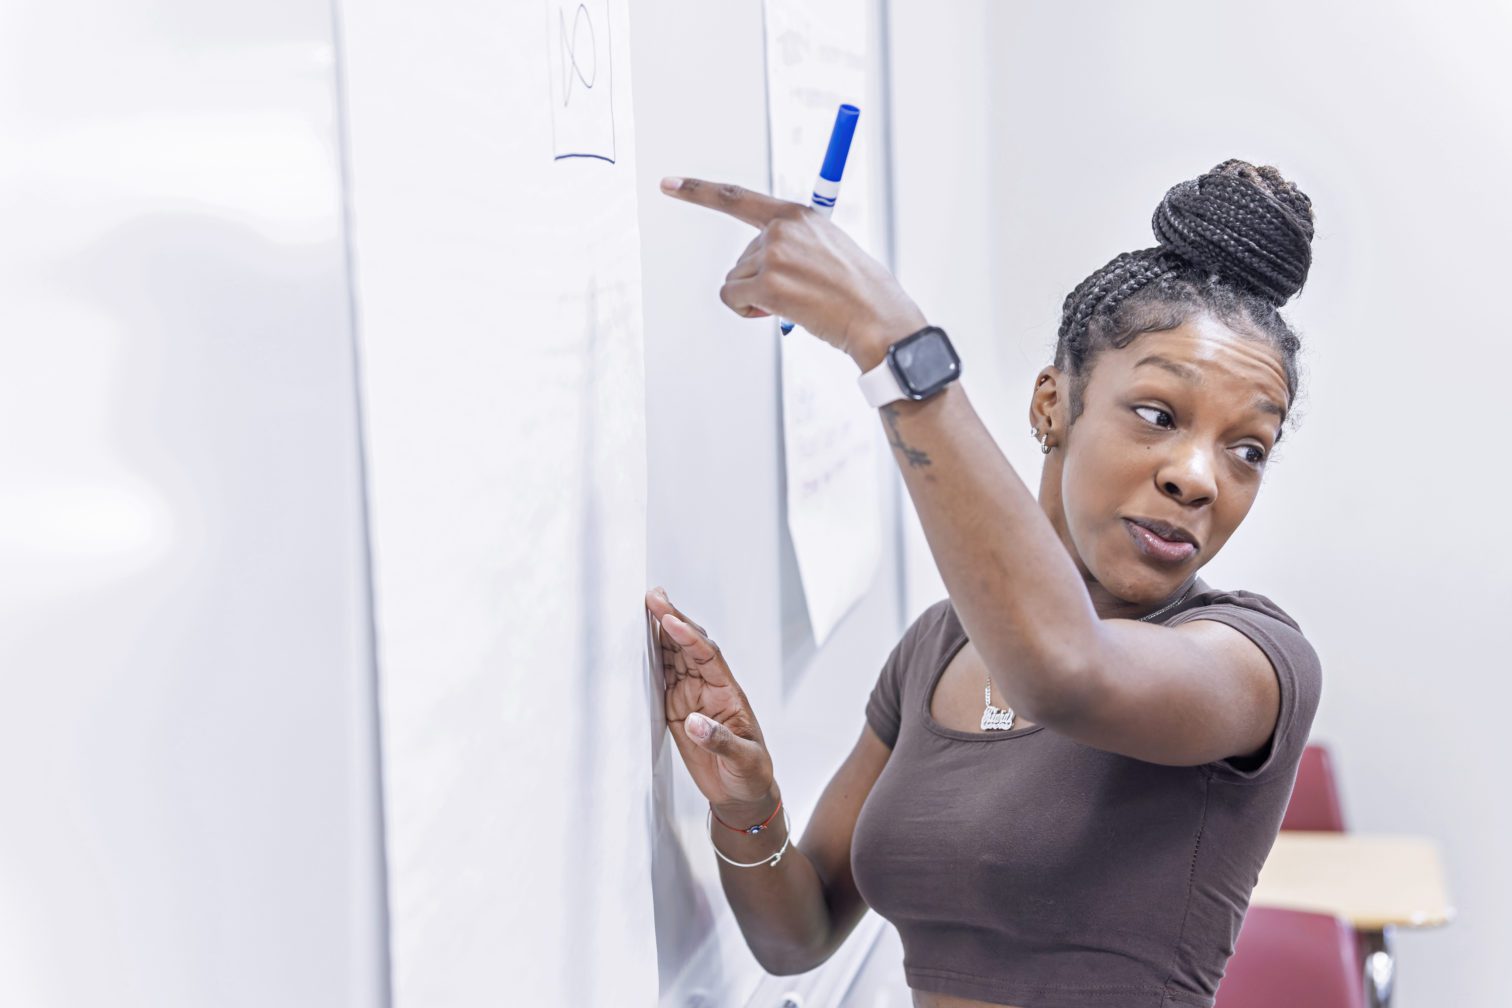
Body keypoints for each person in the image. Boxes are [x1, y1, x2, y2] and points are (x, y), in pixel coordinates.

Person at [645, 159, 1323, 1008]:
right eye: (1158, 415)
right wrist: (750, 803)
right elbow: (798, 935)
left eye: (1247, 449)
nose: (1199, 478)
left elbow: (1066, 672)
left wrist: (891, 344)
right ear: (1052, 405)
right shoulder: (939, 645)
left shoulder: (1254, 662)